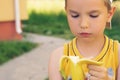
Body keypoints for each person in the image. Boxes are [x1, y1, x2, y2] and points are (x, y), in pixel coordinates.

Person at [48, 0, 120, 80]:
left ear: (109, 15)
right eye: (74, 15)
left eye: (93, 15)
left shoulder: (117, 53)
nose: (83, 24)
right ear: (67, 13)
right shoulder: (59, 57)